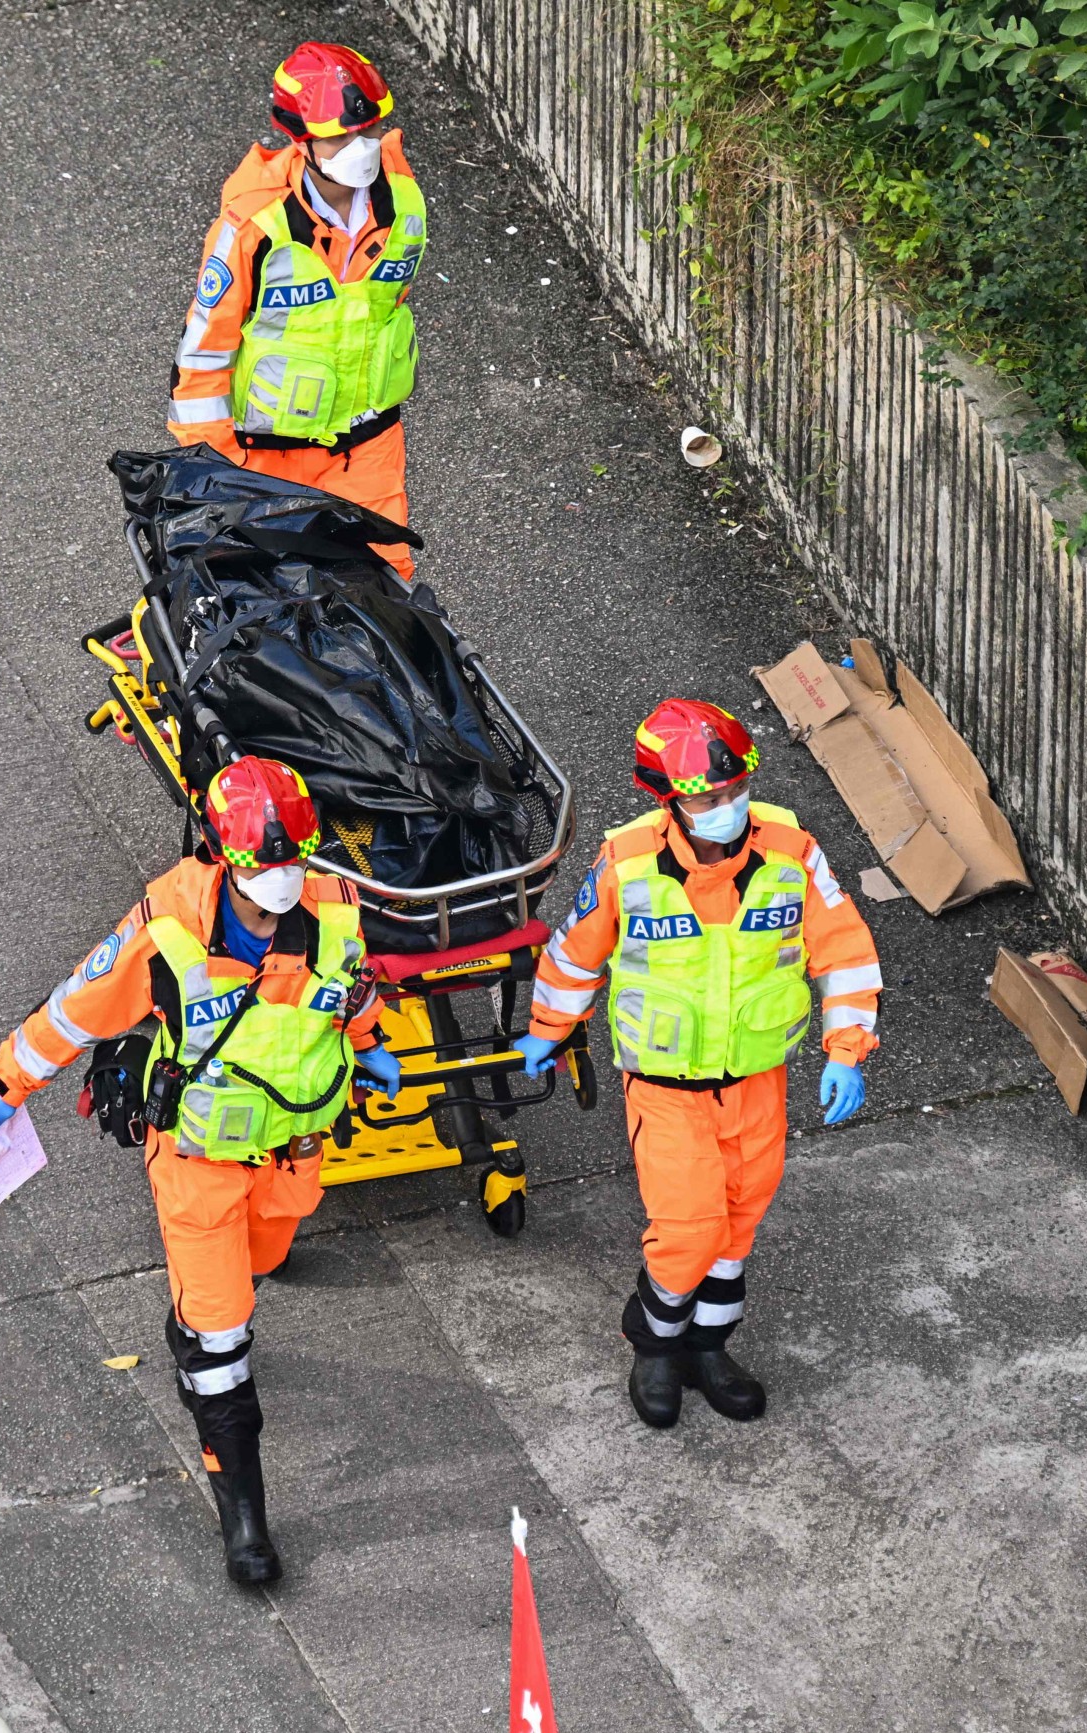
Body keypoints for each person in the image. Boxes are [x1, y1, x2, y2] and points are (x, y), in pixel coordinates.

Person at [0, 757, 401, 1585]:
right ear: (224, 857)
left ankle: (202, 1326)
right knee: (223, 1330)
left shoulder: (335, 907)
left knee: (263, 1262)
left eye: (293, 861)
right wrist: (7, 1084)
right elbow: (74, 1008)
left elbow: (351, 990)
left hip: (295, 1157)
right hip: (201, 1160)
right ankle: (244, 1513)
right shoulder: (165, 925)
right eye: (265, 864)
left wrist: (372, 1044)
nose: (283, 879)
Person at [517, 699, 882, 1429]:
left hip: (756, 1081)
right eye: (708, 798)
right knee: (687, 1225)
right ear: (670, 801)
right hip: (666, 1089)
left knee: (737, 1223)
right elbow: (575, 955)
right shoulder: (627, 863)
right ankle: (653, 1342)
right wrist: (548, 1029)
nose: (727, 808)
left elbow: (843, 950)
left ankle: (707, 1347)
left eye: (735, 790)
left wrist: (847, 1050)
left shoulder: (790, 849)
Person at [169, 41, 428, 577]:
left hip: (368, 446)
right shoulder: (251, 228)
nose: (362, 146)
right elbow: (203, 359)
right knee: (268, 611)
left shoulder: (404, 203)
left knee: (386, 594)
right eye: (341, 135)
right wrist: (218, 473)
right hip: (263, 458)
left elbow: (385, 313)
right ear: (302, 139)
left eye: (370, 129)